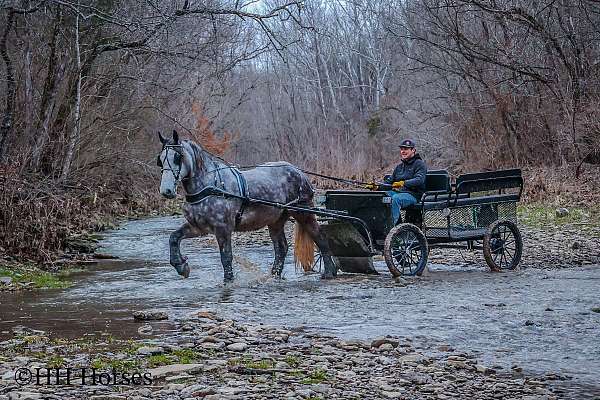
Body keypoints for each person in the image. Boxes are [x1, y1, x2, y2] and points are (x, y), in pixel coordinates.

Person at [366, 138, 427, 224]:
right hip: (400, 193)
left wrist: (403, 183)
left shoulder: (419, 164)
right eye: (401, 149)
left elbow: (419, 180)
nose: (403, 151)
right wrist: (377, 187)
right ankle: (380, 224)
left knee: (395, 199)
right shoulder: (399, 167)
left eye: (406, 149)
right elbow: (389, 182)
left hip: (414, 195)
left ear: (413, 150)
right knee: (381, 196)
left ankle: (393, 227)